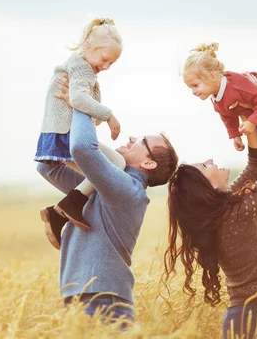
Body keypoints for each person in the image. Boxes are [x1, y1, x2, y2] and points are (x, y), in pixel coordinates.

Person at [37, 78, 179, 325]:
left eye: (141, 141)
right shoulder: (100, 186)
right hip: (79, 296)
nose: (132, 137)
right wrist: (62, 110)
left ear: (148, 164)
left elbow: (82, 147)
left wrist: (82, 104)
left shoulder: (128, 191)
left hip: (103, 300)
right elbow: (48, 166)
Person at [163, 111, 257, 338]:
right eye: (205, 166)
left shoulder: (225, 209)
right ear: (208, 189)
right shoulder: (237, 212)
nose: (211, 161)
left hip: (245, 315)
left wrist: (249, 116)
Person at [34, 18, 126, 246]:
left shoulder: (75, 65)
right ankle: (66, 208)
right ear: (89, 46)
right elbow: (78, 99)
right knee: (109, 168)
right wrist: (108, 114)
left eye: (111, 64)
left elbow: (82, 108)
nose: (105, 67)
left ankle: (62, 210)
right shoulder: (82, 68)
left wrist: (87, 108)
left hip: (59, 133)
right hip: (65, 135)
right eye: (105, 59)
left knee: (113, 164)